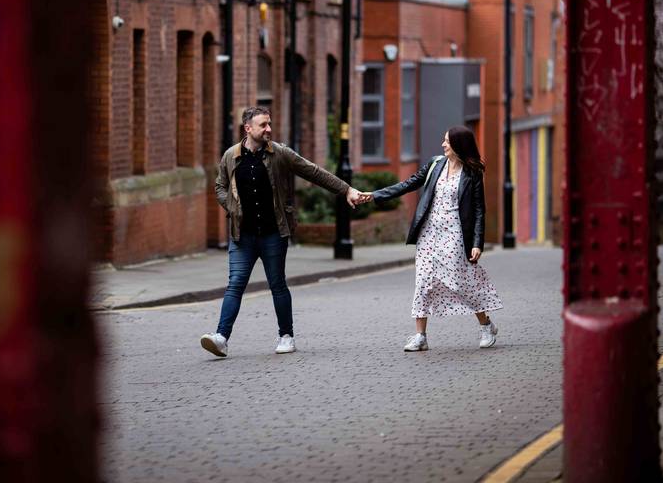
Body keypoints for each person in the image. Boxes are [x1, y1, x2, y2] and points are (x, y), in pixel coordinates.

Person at [200, 106, 365, 358]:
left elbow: (314, 172)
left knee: (277, 284)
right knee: (235, 284)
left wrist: (346, 190)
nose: (268, 129)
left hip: (273, 233)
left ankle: (286, 335)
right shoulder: (230, 156)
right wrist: (232, 207)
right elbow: (220, 186)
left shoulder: (280, 154)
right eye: (263, 125)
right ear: (248, 128)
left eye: (269, 124)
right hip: (242, 235)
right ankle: (221, 338)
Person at [360, 125, 503, 351]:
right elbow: (408, 184)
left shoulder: (472, 172)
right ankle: (420, 336)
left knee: (461, 281)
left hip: (456, 234)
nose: (443, 144)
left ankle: (485, 325)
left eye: (447, 141)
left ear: (458, 145)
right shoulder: (435, 164)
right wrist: (375, 196)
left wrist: (477, 243)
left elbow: (478, 210)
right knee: (423, 282)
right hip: (429, 232)